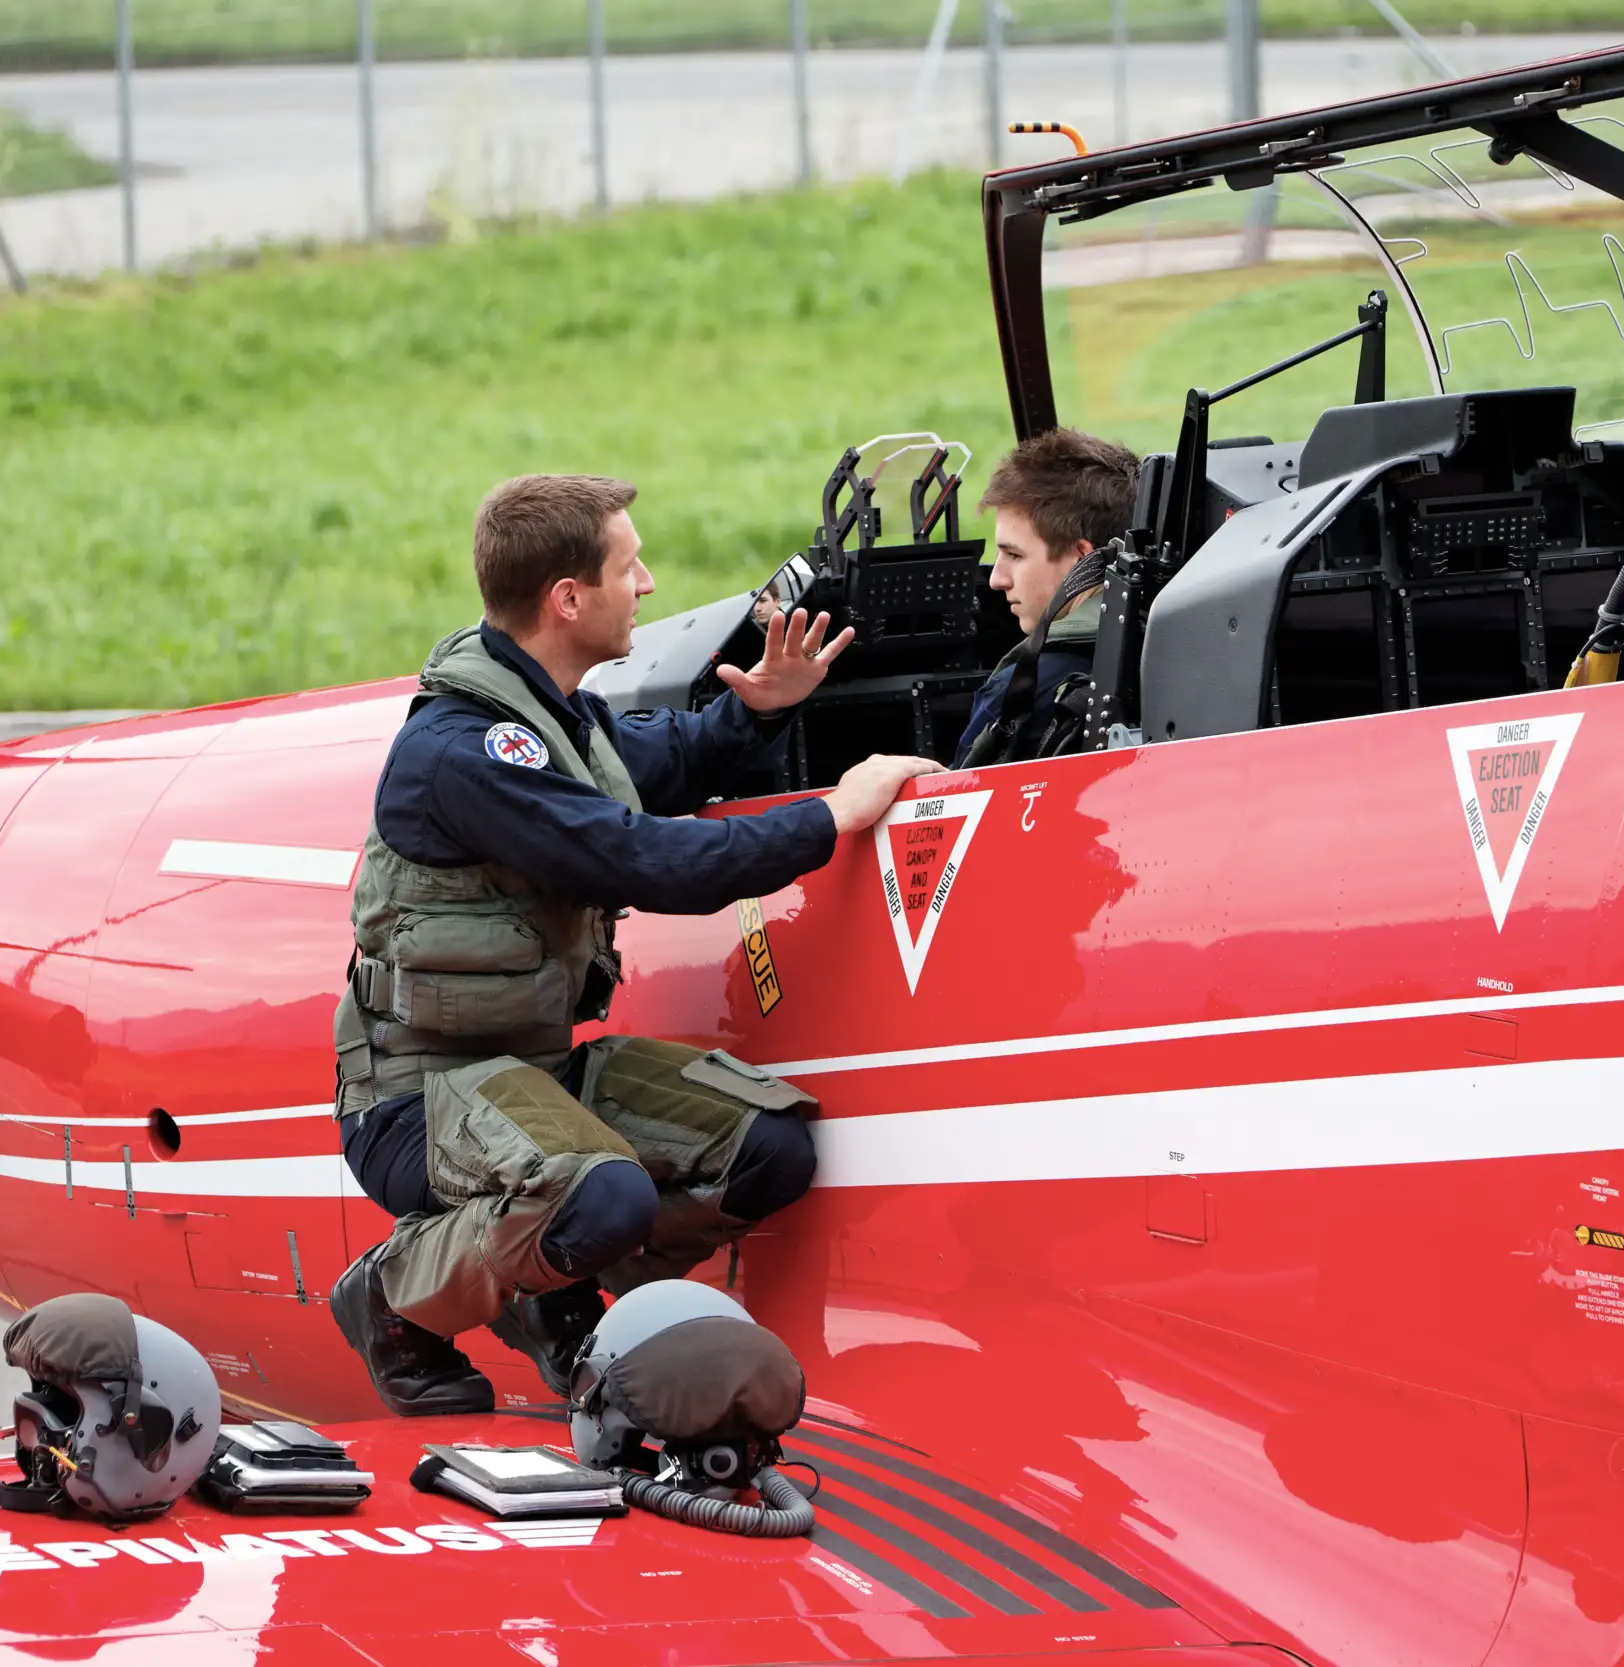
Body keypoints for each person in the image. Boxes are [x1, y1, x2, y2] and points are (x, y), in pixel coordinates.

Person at [329, 472, 937, 1415]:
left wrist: (761, 707)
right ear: (567, 599)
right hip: (417, 1102)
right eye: (629, 564)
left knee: (767, 1149)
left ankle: (545, 1283)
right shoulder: (467, 753)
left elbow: (670, 757)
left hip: (529, 1075)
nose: (647, 583)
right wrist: (834, 816)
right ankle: (393, 1296)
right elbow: (648, 861)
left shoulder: (555, 716)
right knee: (606, 1196)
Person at [954, 427, 1140, 768]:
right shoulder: (1171, 649)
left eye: (1014, 555)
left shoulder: (1023, 692)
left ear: (1083, 558)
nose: (996, 579)